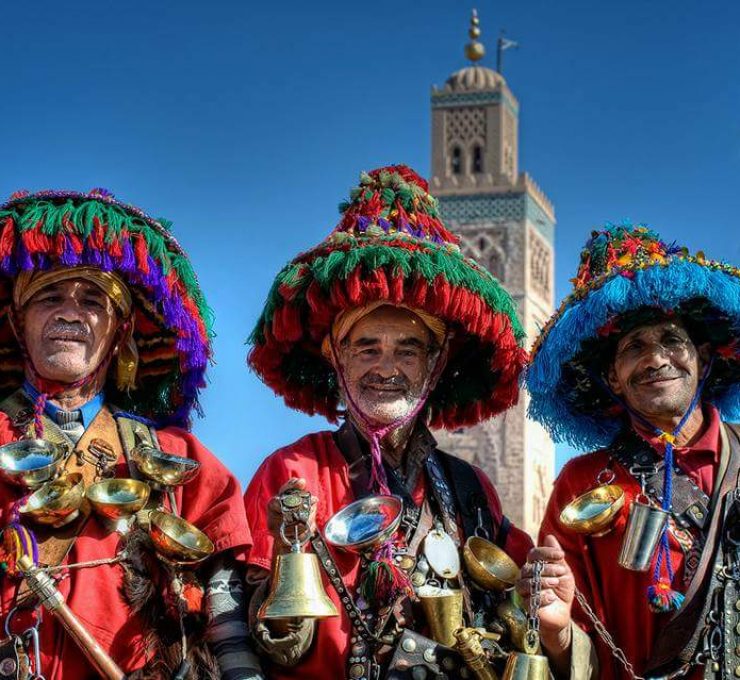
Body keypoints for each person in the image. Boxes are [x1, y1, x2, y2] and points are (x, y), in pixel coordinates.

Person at [244, 165, 541, 679]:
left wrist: (548, 592)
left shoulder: (470, 490)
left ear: (436, 363)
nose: (387, 368)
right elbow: (244, 630)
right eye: (366, 348)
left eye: (407, 350)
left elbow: (518, 613)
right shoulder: (291, 470)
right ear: (336, 357)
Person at [0, 189, 262, 679]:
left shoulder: (178, 457)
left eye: (92, 300)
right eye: (49, 296)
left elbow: (225, 590)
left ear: (120, 331)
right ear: (18, 323)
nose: (71, 313)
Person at [523, 223, 740, 679]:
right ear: (614, 378)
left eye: (671, 340)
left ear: (702, 356)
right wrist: (557, 631)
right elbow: (567, 639)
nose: (656, 358)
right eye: (634, 347)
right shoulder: (582, 483)